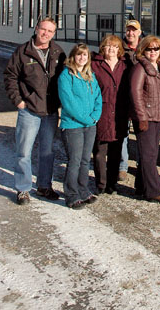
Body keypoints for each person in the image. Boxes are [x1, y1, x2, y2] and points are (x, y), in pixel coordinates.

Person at [4, 17, 65, 205]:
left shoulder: (58, 52)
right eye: (43, 29)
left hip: (50, 111)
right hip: (29, 110)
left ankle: (44, 186)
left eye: (50, 31)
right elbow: (10, 77)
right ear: (36, 28)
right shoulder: (23, 52)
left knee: (47, 151)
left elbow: (65, 79)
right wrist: (19, 102)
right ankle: (23, 188)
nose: (45, 33)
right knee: (24, 151)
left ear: (54, 34)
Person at [130, 35, 160, 204]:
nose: (153, 52)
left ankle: (141, 186)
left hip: (157, 116)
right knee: (148, 155)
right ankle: (155, 191)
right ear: (143, 50)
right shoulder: (139, 69)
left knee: (151, 154)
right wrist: (141, 117)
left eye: (156, 49)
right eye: (149, 49)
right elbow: (136, 94)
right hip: (146, 118)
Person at [58, 44, 102, 209]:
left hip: (90, 125)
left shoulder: (90, 76)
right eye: (79, 55)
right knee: (75, 160)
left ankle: (83, 190)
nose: (82, 58)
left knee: (85, 160)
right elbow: (68, 103)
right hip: (73, 126)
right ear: (73, 57)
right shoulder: (66, 76)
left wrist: (95, 116)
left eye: (85, 55)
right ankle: (71, 194)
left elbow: (98, 96)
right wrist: (86, 119)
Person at [91, 35, 129, 194]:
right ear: (102, 48)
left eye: (114, 47)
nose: (111, 50)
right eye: (108, 46)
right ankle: (101, 183)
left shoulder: (125, 65)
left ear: (119, 49)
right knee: (100, 152)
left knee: (116, 150)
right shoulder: (95, 65)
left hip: (120, 113)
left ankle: (112, 183)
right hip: (102, 112)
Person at [119, 18, 142, 181]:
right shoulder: (119, 48)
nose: (131, 33)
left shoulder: (147, 48)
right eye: (128, 30)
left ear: (139, 32)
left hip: (141, 98)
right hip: (123, 96)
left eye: (134, 30)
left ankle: (143, 163)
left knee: (142, 131)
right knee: (123, 133)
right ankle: (122, 166)